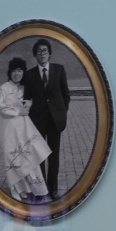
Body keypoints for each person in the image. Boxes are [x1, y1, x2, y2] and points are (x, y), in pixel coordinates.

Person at [0, 57, 52, 203]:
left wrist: (30, 103)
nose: (17, 74)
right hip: (9, 127)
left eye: (20, 70)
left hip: (25, 127)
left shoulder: (25, 87)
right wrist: (17, 112)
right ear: (9, 72)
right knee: (12, 156)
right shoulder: (4, 88)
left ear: (23, 72)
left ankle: (32, 189)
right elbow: (0, 109)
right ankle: (17, 189)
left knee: (27, 156)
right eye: (14, 71)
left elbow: (37, 99)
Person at [22, 39, 70, 200]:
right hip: (38, 121)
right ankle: (41, 189)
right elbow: (27, 98)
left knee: (54, 155)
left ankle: (53, 187)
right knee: (39, 155)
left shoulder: (59, 70)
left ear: (49, 53)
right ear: (35, 55)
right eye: (39, 51)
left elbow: (66, 94)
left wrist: (61, 112)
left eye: (45, 50)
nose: (42, 53)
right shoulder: (30, 75)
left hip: (55, 120)